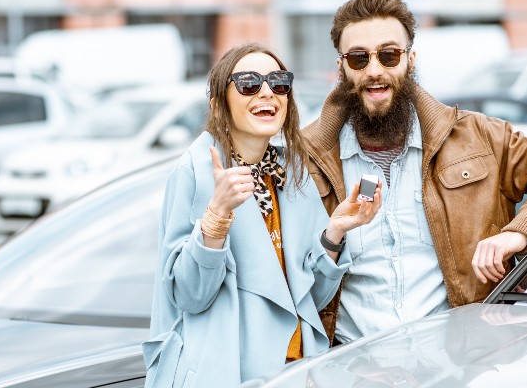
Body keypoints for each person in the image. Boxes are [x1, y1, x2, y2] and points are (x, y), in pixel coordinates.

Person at [302, 0, 527, 344]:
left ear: (410, 61)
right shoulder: (305, 159)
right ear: (341, 68)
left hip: (460, 362)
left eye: (389, 55)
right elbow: (297, 282)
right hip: (354, 366)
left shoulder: (477, 136)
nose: (374, 70)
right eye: (358, 58)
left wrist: (517, 233)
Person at [143, 43, 383, 388]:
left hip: (297, 371)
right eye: (249, 83)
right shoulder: (198, 170)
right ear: (218, 102)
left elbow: (310, 299)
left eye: (279, 82)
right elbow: (188, 296)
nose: (267, 92)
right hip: (228, 372)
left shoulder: (290, 171)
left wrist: (335, 231)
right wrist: (217, 215)